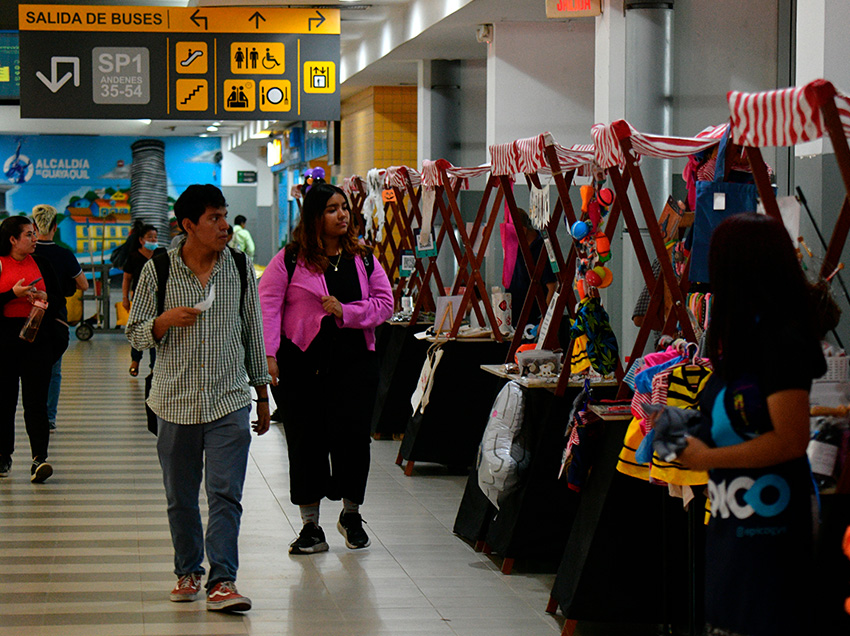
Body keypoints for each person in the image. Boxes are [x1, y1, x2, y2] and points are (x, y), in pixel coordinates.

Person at [654, 213, 826, 636]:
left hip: (772, 528)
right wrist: (674, 427)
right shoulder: (742, 341)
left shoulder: (783, 342)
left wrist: (708, 455)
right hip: (732, 526)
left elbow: (789, 439)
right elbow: (730, 421)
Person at [126, 184, 271, 613]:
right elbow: (135, 334)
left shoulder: (241, 267)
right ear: (189, 225)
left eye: (224, 215)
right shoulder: (160, 270)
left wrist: (262, 395)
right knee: (181, 496)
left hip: (229, 400)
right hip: (174, 402)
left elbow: (252, 333)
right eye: (213, 218)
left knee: (226, 493)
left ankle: (223, 580)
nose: (224, 225)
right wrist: (164, 321)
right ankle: (188, 569)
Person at [258, 179, 393, 555]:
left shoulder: (363, 257)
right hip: (302, 368)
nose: (342, 216)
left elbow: (385, 304)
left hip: (355, 366)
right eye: (332, 210)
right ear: (315, 217)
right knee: (306, 443)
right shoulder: (289, 259)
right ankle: (310, 527)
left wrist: (347, 311)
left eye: (345, 209)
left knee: (353, 442)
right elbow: (267, 307)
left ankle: (352, 515)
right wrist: (269, 356)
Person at [0, 215, 67, 482]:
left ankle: (40, 459)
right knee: (4, 402)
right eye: (28, 234)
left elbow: (61, 297)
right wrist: (11, 295)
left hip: (36, 341)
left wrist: (45, 296)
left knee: (36, 403)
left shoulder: (42, 263)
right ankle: (3, 455)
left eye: (34, 233)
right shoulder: (1, 264)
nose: (34, 239)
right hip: (4, 343)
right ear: (12, 239)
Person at [32, 204, 88, 432]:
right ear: (55, 226)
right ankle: (49, 417)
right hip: (56, 317)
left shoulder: (28, 255)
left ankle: (32, 412)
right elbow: (83, 284)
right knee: (54, 370)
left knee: (28, 368)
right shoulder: (64, 254)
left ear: (34, 227)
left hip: (27, 316)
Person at [506, 208, 557, 330]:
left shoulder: (543, 248)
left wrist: (544, 320)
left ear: (523, 230)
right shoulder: (516, 246)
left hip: (533, 321)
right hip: (514, 319)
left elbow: (552, 286)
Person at [122, 223, 158, 377]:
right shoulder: (134, 256)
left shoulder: (160, 256)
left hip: (157, 298)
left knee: (155, 330)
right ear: (141, 240)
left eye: (155, 237)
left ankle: (153, 367)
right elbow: (127, 278)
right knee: (138, 329)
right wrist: (125, 297)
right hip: (139, 298)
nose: (153, 240)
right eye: (150, 237)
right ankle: (135, 360)